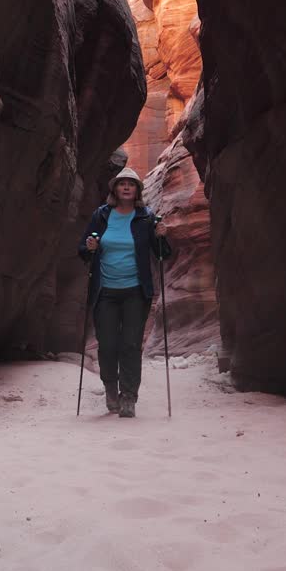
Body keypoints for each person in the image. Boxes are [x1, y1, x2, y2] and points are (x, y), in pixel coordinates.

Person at [77, 167, 173, 418]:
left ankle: (128, 396)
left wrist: (162, 237)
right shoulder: (102, 215)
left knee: (130, 345)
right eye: (122, 184)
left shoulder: (146, 218)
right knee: (107, 345)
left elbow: (163, 253)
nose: (127, 187)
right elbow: (83, 251)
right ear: (115, 189)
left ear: (138, 190)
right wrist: (90, 247)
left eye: (131, 184)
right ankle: (111, 388)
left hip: (135, 292)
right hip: (105, 292)